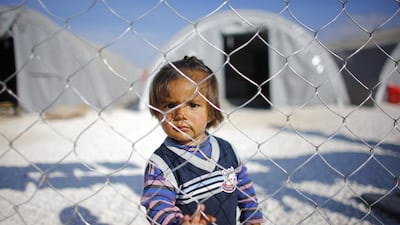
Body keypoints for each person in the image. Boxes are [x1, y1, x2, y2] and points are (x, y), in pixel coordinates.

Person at [140, 56, 263, 225]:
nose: (180, 114)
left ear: (211, 111)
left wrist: (253, 217)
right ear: (157, 111)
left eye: (192, 105)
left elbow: (245, 189)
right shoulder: (161, 164)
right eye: (170, 106)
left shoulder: (227, 150)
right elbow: (158, 206)